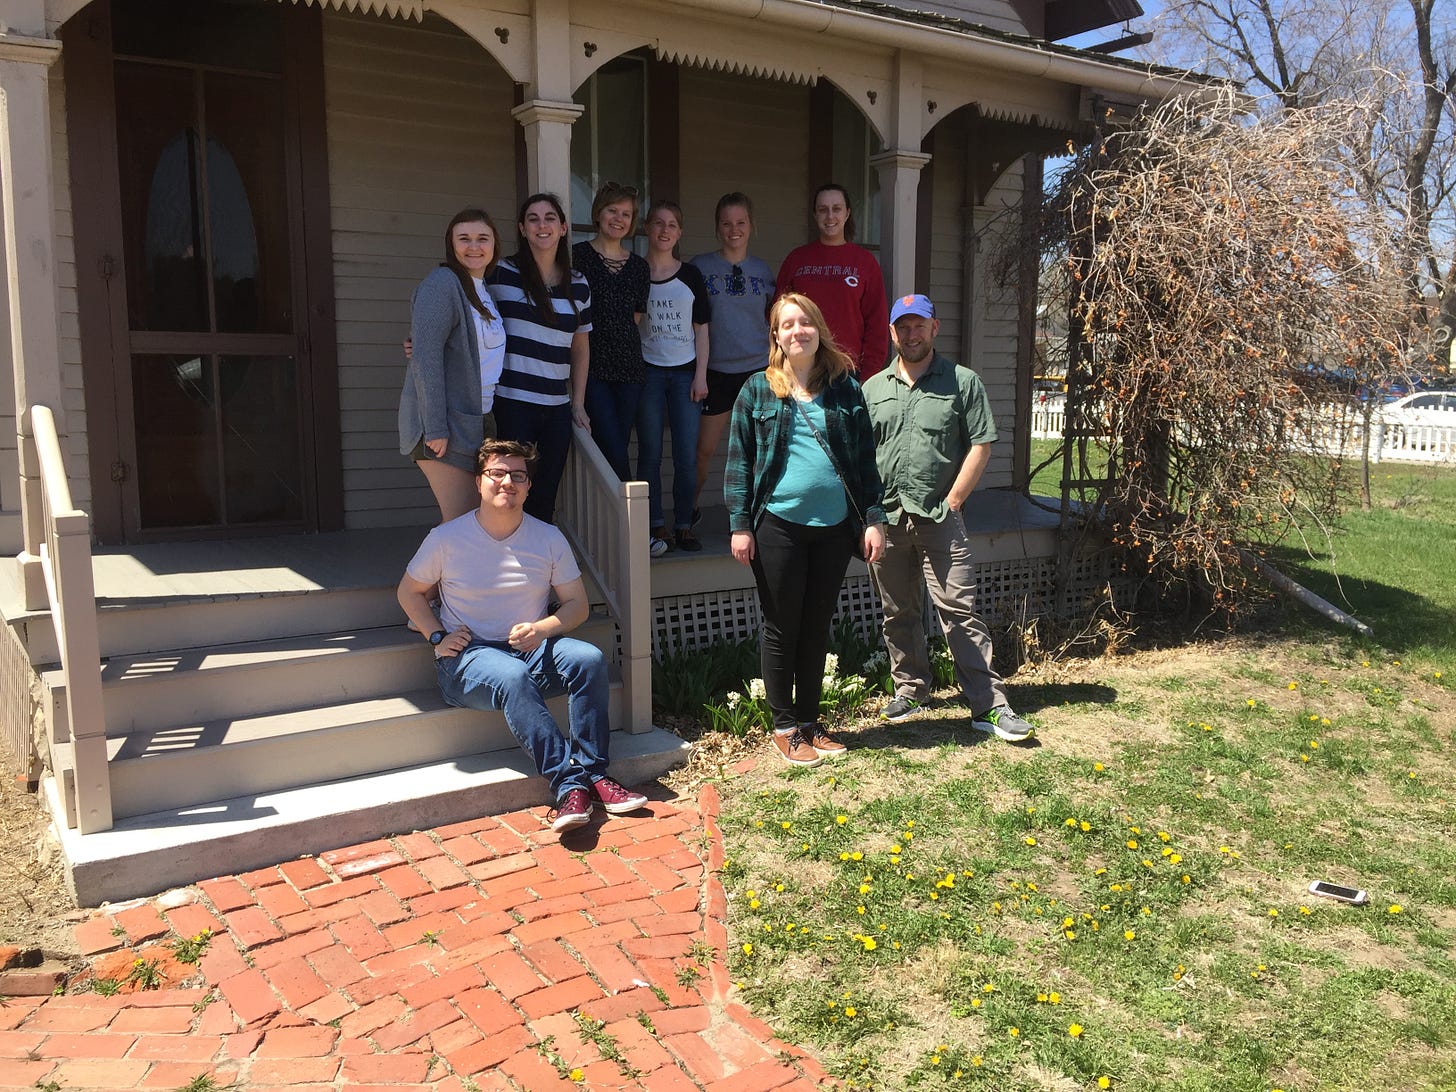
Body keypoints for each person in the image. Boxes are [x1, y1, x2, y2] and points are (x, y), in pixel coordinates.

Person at [397, 438, 650, 833]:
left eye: (517, 475)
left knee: (589, 659)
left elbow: (576, 606)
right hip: (468, 659)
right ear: (479, 482)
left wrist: (542, 628)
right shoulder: (447, 539)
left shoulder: (547, 537)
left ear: (529, 486)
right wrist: (435, 637)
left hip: (530, 651)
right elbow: (408, 591)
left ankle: (595, 774)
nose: (507, 482)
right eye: (496, 473)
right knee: (512, 677)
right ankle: (569, 784)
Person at [862, 294, 1034, 741]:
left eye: (919, 325)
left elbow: (981, 443)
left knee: (958, 612)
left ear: (935, 328)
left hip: (940, 516)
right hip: (889, 519)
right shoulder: (873, 388)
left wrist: (955, 499)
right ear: (891, 332)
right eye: (903, 326)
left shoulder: (962, 381)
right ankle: (912, 689)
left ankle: (989, 706)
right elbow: (862, 456)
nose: (911, 333)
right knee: (898, 611)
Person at [725, 292, 887, 767]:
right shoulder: (757, 390)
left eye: (805, 323)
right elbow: (739, 464)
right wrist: (740, 526)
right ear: (776, 336)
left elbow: (863, 463)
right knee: (781, 626)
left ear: (819, 329)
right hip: (777, 526)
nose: (797, 331)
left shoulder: (846, 389)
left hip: (835, 528)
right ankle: (784, 727)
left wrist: (872, 520)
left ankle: (811, 721)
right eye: (787, 324)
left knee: (816, 626)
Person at [489, 194, 592, 523]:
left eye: (550, 218)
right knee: (511, 491)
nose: (541, 224)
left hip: (557, 409)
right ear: (522, 228)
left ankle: (536, 568)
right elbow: (468, 316)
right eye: (532, 218)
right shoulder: (501, 273)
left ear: (563, 228)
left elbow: (580, 347)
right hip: (513, 402)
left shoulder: (578, 283)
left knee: (545, 494)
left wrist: (577, 403)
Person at [398, 208, 506, 522]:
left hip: (477, 419)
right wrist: (435, 428)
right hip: (444, 425)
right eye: (465, 239)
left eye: (482, 238)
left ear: (494, 245)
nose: (474, 246)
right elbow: (426, 358)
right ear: (451, 245)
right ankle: (422, 575)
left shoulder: (483, 290)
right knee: (460, 523)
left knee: (472, 523)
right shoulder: (442, 283)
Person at [690, 192, 775, 528]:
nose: (734, 229)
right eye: (726, 223)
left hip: (757, 372)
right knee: (704, 450)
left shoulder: (763, 271)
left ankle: (757, 517)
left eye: (740, 222)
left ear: (751, 226)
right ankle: (689, 509)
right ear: (717, 228)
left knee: (756, 454)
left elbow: (771, 321)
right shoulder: (700, 267)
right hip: (716, 372)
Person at [637, 200, 710, 552]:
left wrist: (701, 376)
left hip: (685, 373)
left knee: (685, 453)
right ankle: (656, 525)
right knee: (649, 451)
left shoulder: (691, 275)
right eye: (658, 223)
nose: (664, 231)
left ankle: (683, 524)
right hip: (648, 371)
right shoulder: (636, 272)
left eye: (672, 225)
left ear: (679, 232)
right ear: (647, 228)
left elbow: (702, 329)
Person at [572, 183, 651, 501]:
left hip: (630, 370)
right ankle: (634, 528)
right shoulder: (578, 256)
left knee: (616, 444)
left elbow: (635, 318)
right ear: (598, 213)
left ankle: (620, 526)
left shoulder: (639, 267)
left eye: (626, 214)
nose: (619, 219)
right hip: (592, 369)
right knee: (612, 445)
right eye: (612, 211)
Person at [778, 183, 889, 379]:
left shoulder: (865, 262)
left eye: (836, 209)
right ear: (815, 215)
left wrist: (867, 376)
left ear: (847, 213)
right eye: (823, 210)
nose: (830, 216)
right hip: (801, 369)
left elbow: (877, 324)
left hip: (848, 371)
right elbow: (777, 316)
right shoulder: (797, 259)